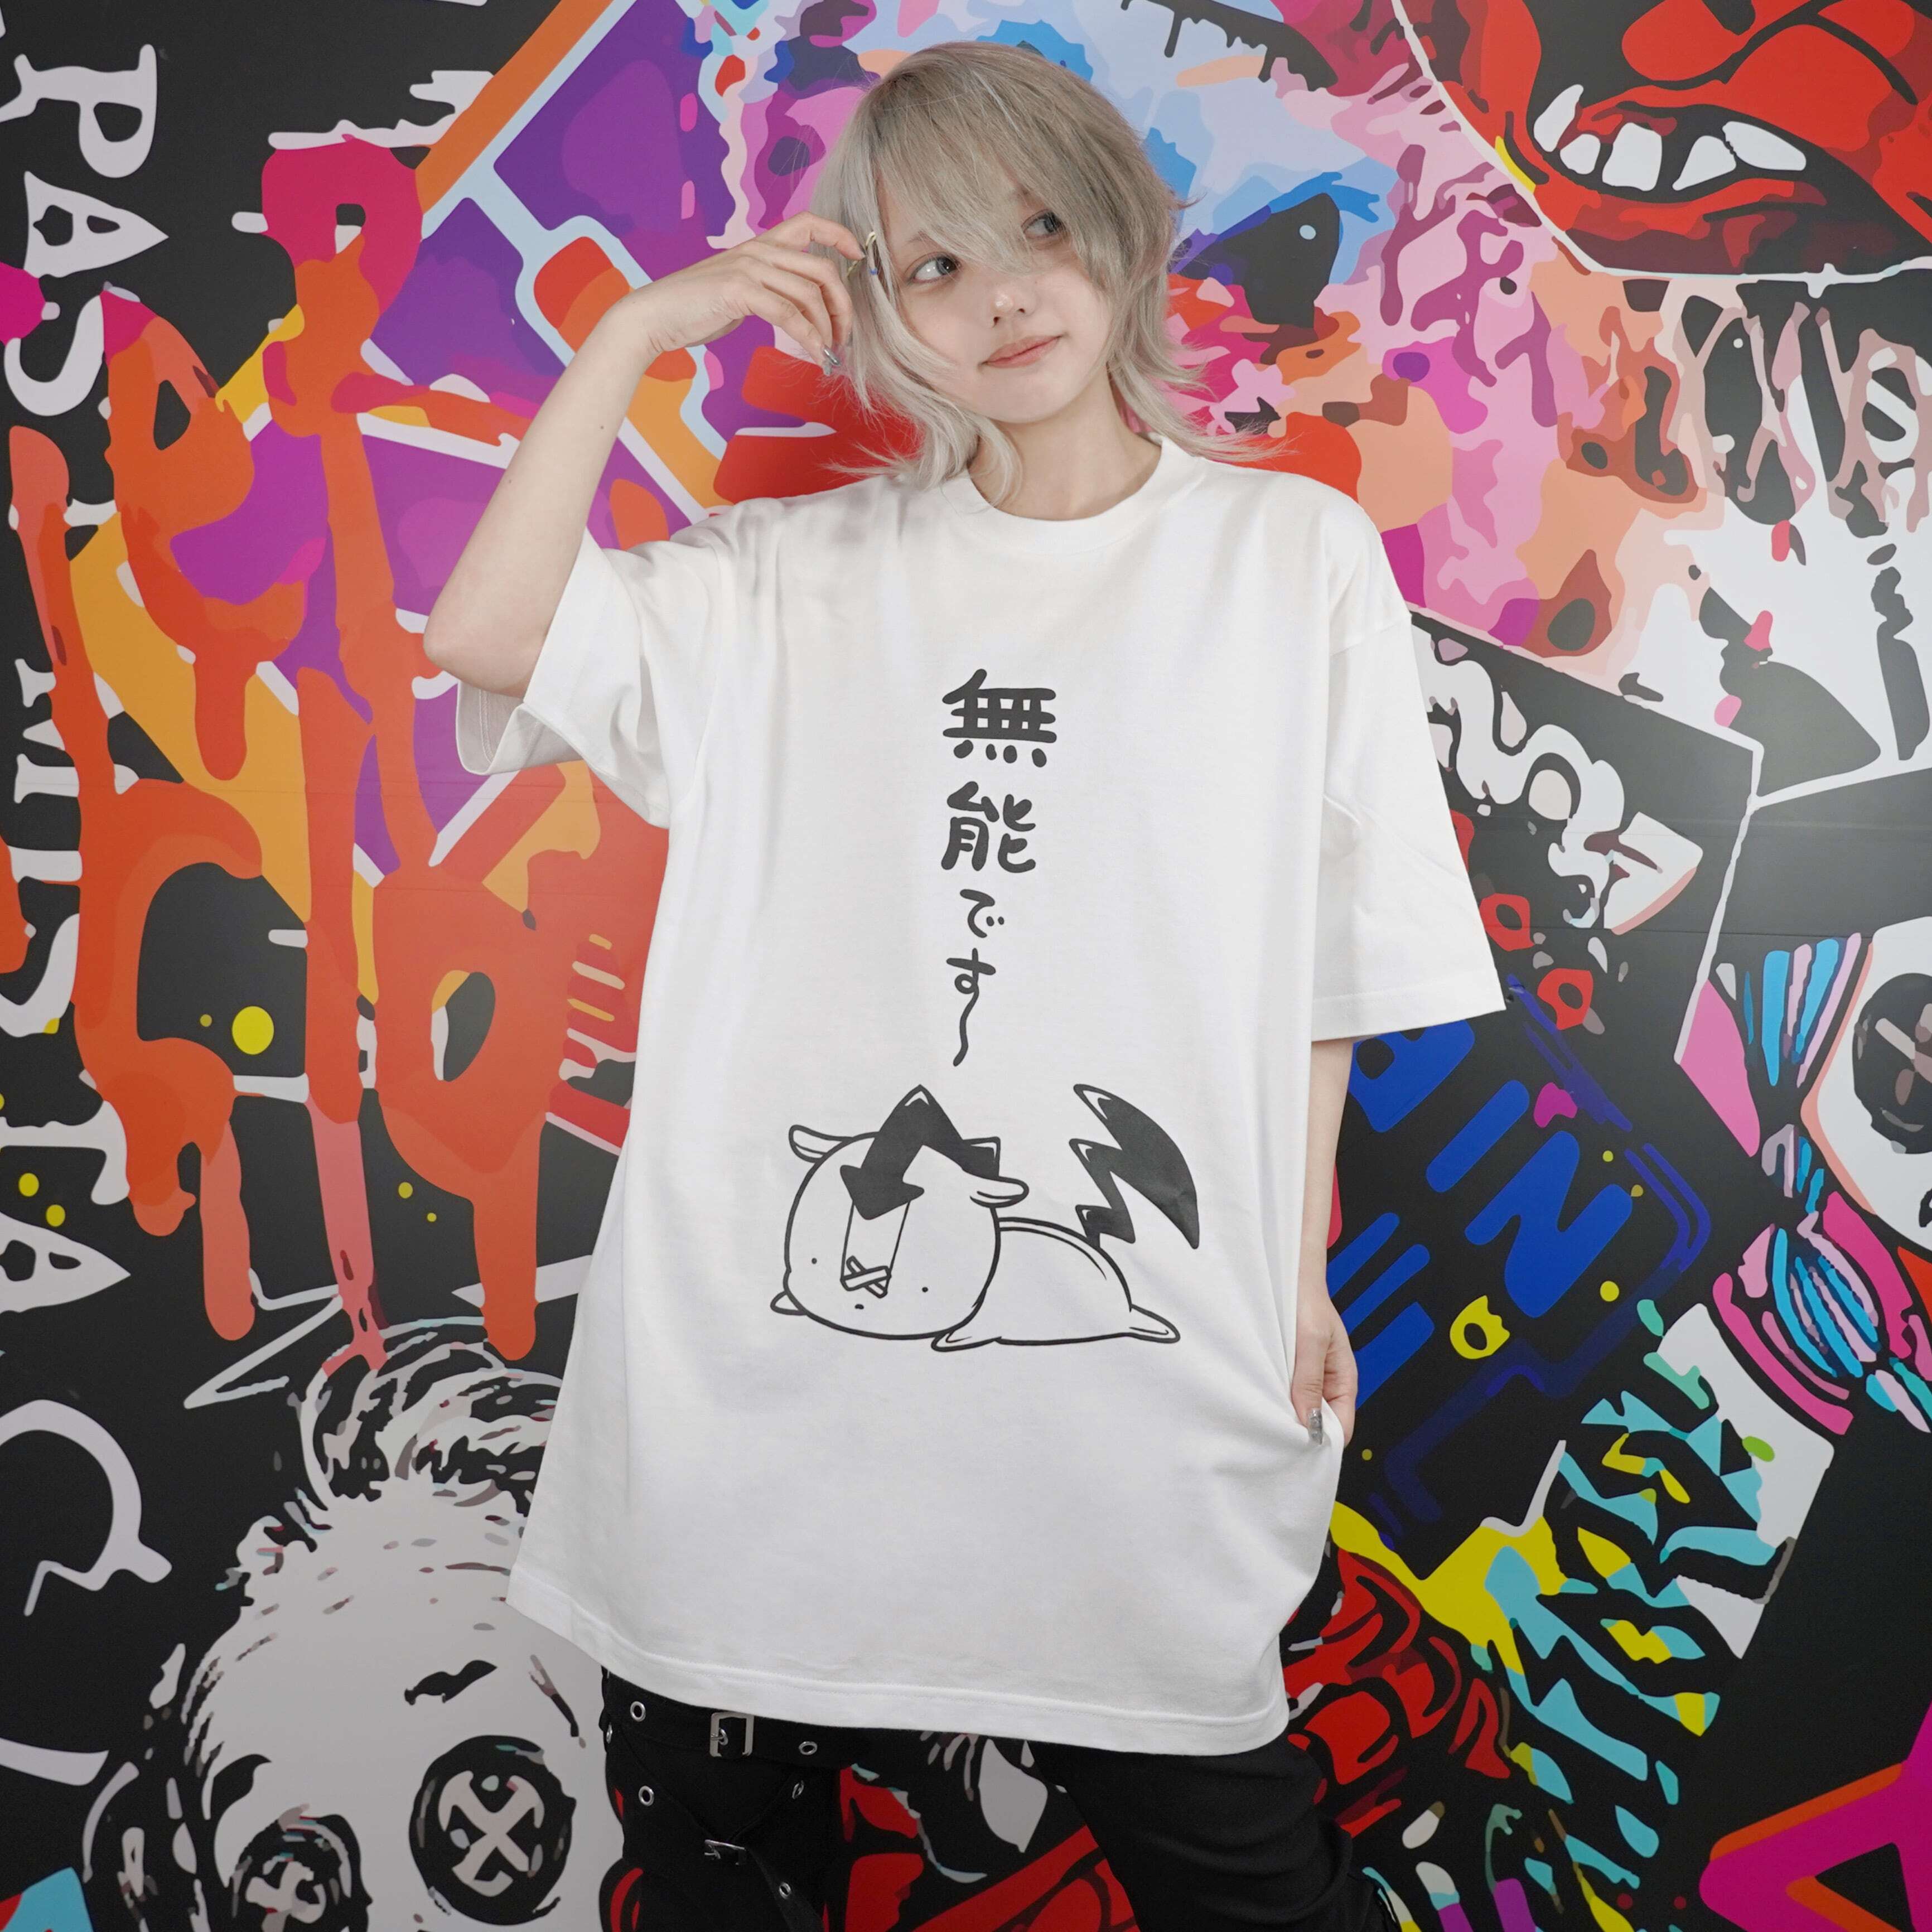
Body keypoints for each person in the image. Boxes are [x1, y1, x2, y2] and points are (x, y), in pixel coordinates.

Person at [423, 38, 1505, 1932]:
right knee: (719, 1887)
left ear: (1121, 236)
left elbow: (1328, 950)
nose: (1002, 294)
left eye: (1038, 230)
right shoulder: (790, 577)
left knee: (1242, 1875)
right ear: (873, 308)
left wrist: (1293, 1263)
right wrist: (636, 336)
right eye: (932, 263)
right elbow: (490, 633)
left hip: (1123, 1380)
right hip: (766, 1398)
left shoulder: (1289, 558)